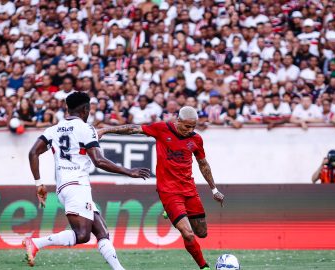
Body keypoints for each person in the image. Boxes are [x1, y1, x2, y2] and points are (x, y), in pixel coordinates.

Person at [24, 92, 150, 269]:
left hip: (65, 187)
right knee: (82, 235)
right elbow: (98, 160)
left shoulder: (53, 130)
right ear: (85, 109)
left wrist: (39, 184)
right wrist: (129, 171)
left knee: (101, 232)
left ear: (68, 109)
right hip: (77, 186)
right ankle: (36, 243)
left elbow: (33, 153)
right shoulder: (85, 128)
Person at [97, 106, 225, 270]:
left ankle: (171, 213)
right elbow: (133, 129)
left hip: (189, 189)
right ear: (178, 120)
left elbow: (203, 164)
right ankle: (204, 267)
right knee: (188, 233)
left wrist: (214, 189)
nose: (190, 130)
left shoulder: (196, 139)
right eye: (187, 126)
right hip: (169, 191)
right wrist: (106, 130)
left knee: (202, 233)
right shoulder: (161, 129)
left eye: (193, 127)